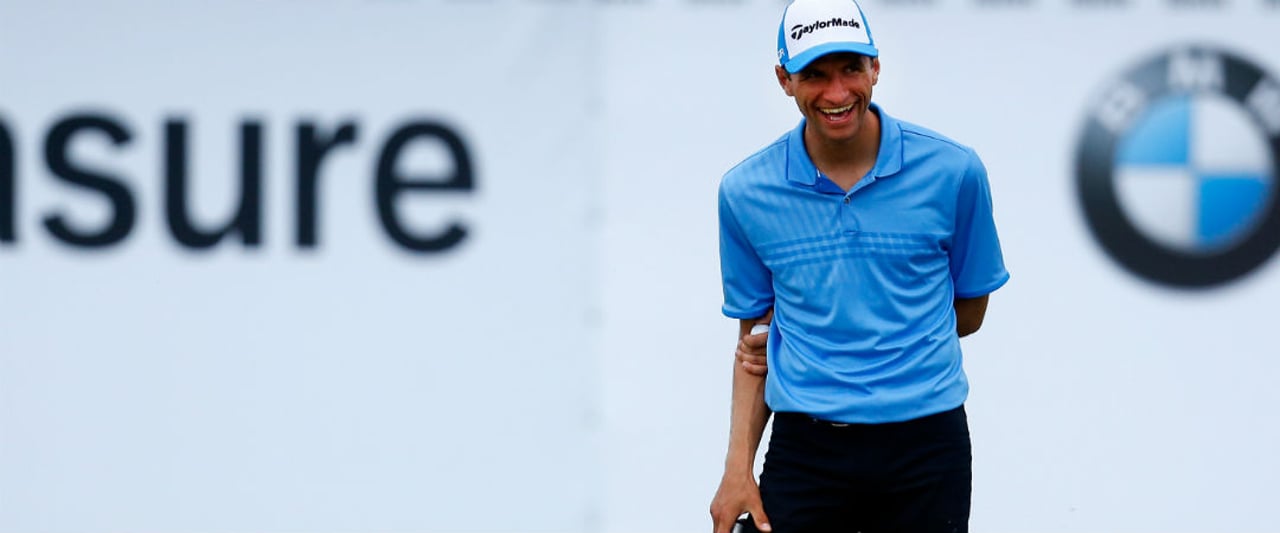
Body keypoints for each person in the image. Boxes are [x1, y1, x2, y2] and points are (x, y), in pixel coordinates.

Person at [708, 0, 1010, 531]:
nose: (837, 93)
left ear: (876, 66)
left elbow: (969, 311)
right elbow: (755, 344)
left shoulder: (953, 172)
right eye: (814, 74)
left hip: (927, 446)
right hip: (807, 450)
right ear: (784, 79)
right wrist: (737, 472)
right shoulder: (745, 192)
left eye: (851, 67)